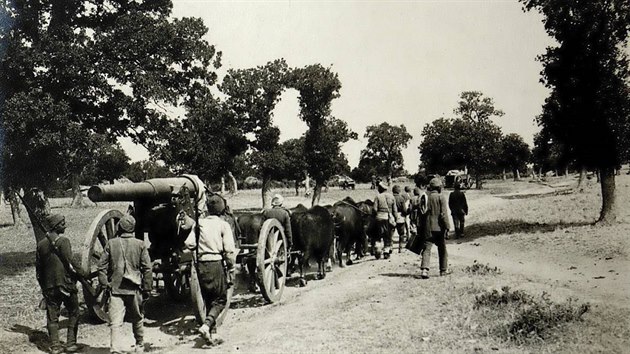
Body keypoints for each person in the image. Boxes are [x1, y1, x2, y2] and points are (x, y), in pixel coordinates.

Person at [180, 195, 236, 345]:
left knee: (208, 299)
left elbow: (189, 243)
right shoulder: (223, 225)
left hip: (201, 265)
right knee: (221, 300)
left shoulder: (199, 224)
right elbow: (229, 250)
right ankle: (206, 326)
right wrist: (231, 268)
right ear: (222, 209)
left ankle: (213, 334)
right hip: (216, 263)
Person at [97, 215, 152, 354]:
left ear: (119, 228)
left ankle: (115, 348)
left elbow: (101, 267)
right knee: (138, 318)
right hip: (134, 289)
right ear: (133, 228)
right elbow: (147, 268)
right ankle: (139, 345)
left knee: (115, 322)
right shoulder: (140, 244)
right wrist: (147, 288)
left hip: (115, 289)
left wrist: (105, 283)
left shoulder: (111, 243)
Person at [36, 214, 81, 354]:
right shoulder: (64, 241)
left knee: (52, 316)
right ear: (56, 226)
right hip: (65, 284)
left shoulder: (41, 244)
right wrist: (82, 273)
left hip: (49, 286)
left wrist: (43, 287)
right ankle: (71, 344)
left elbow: (39, 269)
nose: (65, 225)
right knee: (74, 312)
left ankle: (55, 346)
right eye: (62, 223)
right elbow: (70, 262)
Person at [419, 178, 451, 279]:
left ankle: (424, 270)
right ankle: (443, 270)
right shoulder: (441, 197)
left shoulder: (425, 197)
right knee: (442, 249)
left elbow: (421, 213)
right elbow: (443, 214)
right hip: (439, 227)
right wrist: (447, 226)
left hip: (427, 227)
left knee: (427, 248)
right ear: (439, 187)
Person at [372, 181, 398, 258]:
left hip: (379, 218)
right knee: (387, 235)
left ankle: (378, 249)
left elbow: (374, 209)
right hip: (389, 218)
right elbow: (394, 210)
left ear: (380, 188)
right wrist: (395, 219)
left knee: (378, 235)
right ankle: (386, 252)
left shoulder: (378, 197)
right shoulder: (392, 197)